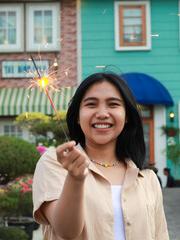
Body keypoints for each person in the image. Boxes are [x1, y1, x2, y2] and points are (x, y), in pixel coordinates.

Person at [33, 73, 169, 240]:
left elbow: (161, 235)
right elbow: (66, 231)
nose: (102, 113)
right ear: (77, 116)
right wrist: (75, 180)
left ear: (126, 116)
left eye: (113, 104)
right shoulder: (56, 163)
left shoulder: (147, 177)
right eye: (91, 104)